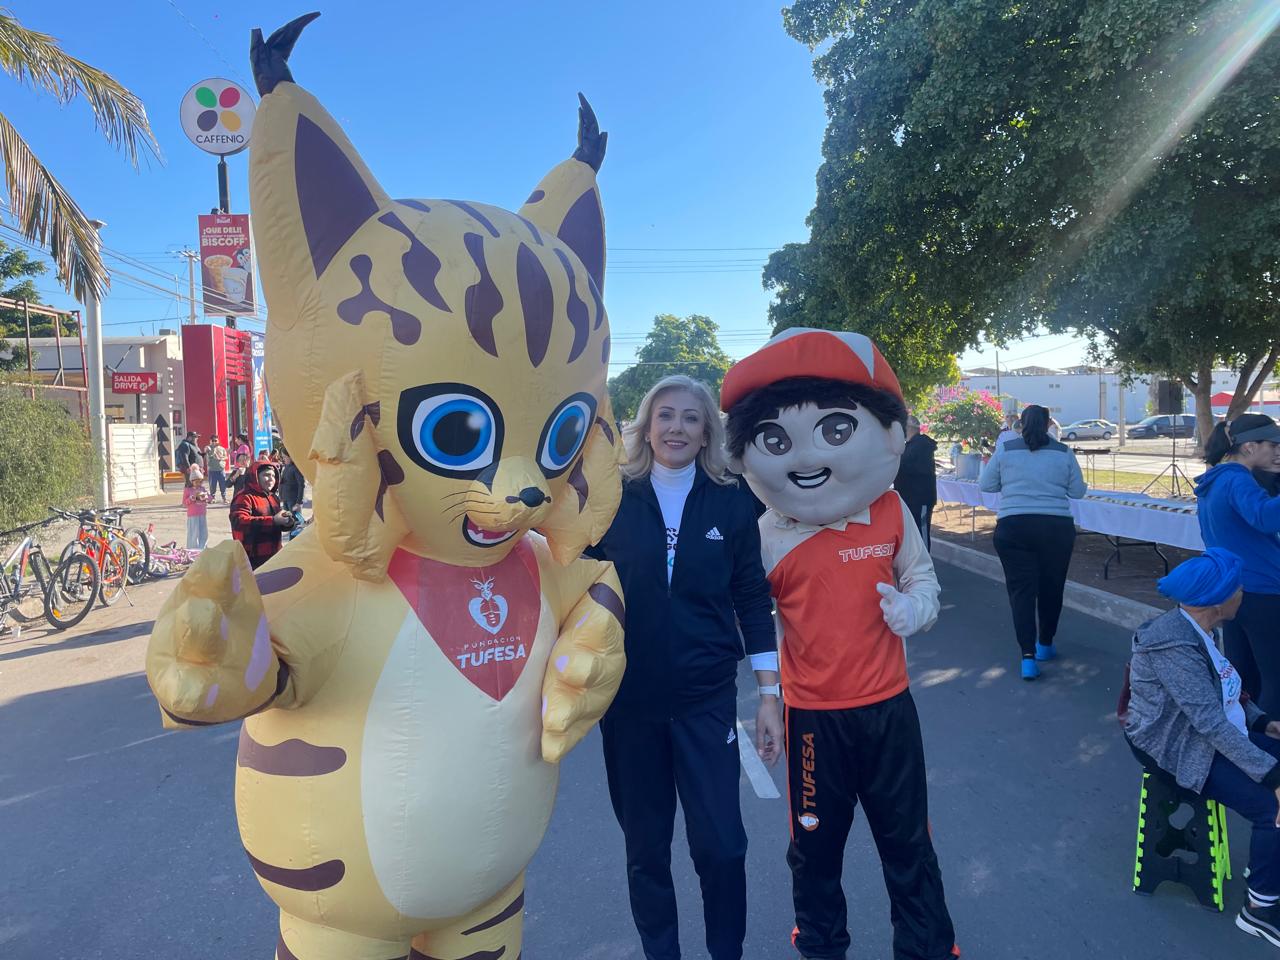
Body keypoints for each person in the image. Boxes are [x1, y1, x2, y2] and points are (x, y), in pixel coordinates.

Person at [722, 329, 956, 960]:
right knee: (814, 848)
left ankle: (929, 949)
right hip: (811, 722)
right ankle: (822, 946)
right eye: (775, 440)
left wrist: (915, 608)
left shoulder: (889, 510)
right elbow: (753, 619)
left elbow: (922, 578)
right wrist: (766, 699)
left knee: (908, 842)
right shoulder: (767, 534)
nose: (804, 459)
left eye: (833, 429)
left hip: (889, 710)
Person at [586, 375, 778, 960]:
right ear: (646, 426)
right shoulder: (611, 498)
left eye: (690, 418)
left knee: (722, 846)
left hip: (706, 701)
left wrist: (769, 692)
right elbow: (576, 588)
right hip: (629, 706)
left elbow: (751, 595)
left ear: (706, 433)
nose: (675, 427)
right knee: (646, 852)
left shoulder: (732, 499)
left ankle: (726, 951)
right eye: (664, 415)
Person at [1124, 549, 1280, 948]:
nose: (1243, 592)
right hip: (1174, 745)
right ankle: (1260, 909)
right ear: (1218, 600)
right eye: (1237, 587)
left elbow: (1227, 688)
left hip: (1212, 731)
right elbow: (1208, 722)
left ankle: (1268, 862)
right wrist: (1271, 775)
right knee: (1272, 806)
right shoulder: (1174, 646)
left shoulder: (1201, 629)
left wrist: (1263, 721)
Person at [979, 404, 1087, 679]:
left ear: (1021, 423)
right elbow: (1077, 492)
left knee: (1021, 592)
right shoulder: (1064, 452)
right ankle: (1045, 644)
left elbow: (987, 485)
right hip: (1055, 527)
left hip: (1014, 527)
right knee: (1052, 587)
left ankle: (1027, 656)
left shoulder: (1006, 449)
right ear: (1050, 423)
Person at [1195, 414, 1280, 711]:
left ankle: (1246, 745)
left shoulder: (1214, 481)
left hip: (1234, 592)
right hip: (1263, 593)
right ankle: (1268, 751)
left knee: (1244, 679)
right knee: (1275, 680)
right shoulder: (1236, 479)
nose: (1278, 451)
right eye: (1273, 444)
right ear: (1249, 447)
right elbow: (1265, 517)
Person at [229, 458, 294, 569]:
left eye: (273, 476)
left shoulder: (273, 497)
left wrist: (287, 522)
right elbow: (239, 522)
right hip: (251, 559)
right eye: (266, 475)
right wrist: (273, 520)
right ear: (255, 477)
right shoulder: (244, 497)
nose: (271, 479)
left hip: (274, 556)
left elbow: (276, 523)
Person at [895, 414, 939, 549]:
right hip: (910, 498)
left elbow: (909, 467)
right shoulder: (910, 446)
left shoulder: (921, 446)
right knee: (914, 535)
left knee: (921, 535)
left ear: (908, 427)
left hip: (919, 499)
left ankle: (926, 567)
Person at [183, 466, 210, 550]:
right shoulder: (188, 490)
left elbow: (209, 498)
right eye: (196, 482)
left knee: (203, 532)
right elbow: (184, 503)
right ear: (192, 481)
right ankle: (192, 549)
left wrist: (206, 497)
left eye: (200, 482)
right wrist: (191, 498)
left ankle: (203, 548)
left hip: (202, 513)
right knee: (193, 533)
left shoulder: (202, 488)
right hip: (192, 514)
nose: (198, 484)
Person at [206, 437, 230, 502]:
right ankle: (212, 498)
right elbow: (208, 453)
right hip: (212, 470)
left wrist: (221, 458)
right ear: (210, 441)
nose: (214, 442)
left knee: (223, 485)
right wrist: (212, 449)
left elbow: (226, 457)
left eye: (215, 440)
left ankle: (224, 498)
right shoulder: (208, 448)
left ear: (218, 441)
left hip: (221, 470)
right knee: (212, 485)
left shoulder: (222, 449)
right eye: (212, 440)